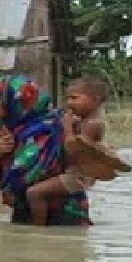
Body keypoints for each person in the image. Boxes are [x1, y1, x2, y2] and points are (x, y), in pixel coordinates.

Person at [0, 74, 90, 226]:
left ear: (17, 99)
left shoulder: (58, 125)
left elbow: (82, 167)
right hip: (23, 212)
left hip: (65, 213)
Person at [25, 77, 109, 226]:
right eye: (68, 98)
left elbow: (74, 147)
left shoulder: (92, 124)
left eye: (75, 98)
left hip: (77, 176)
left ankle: (38, 231)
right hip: (73, 173)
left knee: (34, 193)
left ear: (95, 100)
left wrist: (67, 127)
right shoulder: (83, 121)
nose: (69, 102)